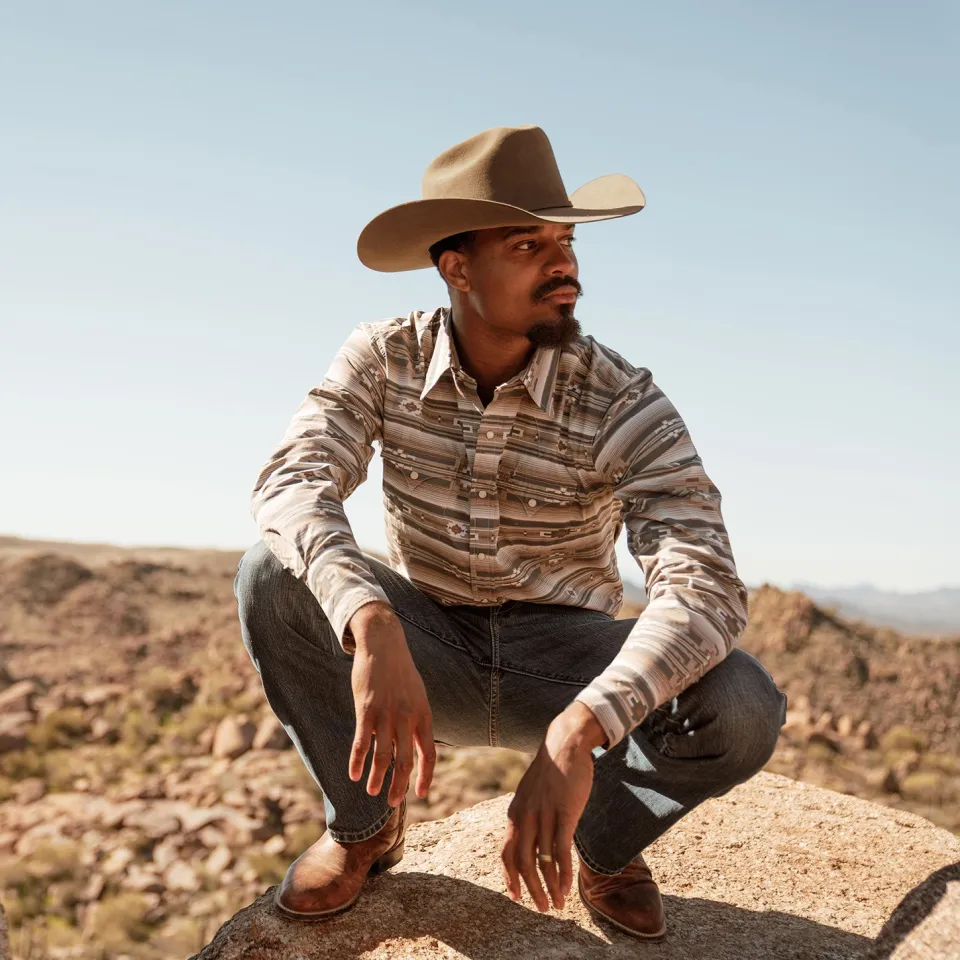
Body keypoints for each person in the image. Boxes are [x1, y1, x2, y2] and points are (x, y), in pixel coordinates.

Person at [234, 125, 787, 941]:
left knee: (741, 701)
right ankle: (363, 828)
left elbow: (703, 584)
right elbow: (293, 481)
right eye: (530, 244)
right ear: (456, 266)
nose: (564, 266)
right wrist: (372, 620)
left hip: (565, 661)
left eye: (565, 242)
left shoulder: (621, 397)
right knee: (270, 577)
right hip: (428, 648)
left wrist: (582, 727)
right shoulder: (384, 356)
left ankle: (600, 847)